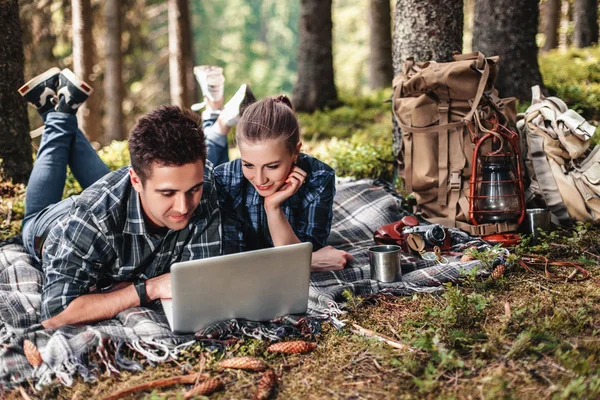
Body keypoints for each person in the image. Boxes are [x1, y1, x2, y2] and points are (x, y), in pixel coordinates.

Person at [18, 68, 221, 329]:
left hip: (117, 205)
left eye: (193, 190)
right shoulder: (92, 218)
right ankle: (56, 116)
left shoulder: (204, 184)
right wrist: (147, 288)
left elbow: (201, 278)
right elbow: (55, 315)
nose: (184, 207)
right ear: (136, 180)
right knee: (33, 218)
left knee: (116, 195)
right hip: (52, 227)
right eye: (168, 193)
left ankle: (61, 111)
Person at [212, 95, 353, 272]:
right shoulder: (224, 179)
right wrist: (310, 262)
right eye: (248, 164)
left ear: (295, 152)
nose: (260, 179)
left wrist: (272, 207)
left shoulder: (319, 177)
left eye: (272, 166)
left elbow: (307, 250)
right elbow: (231, 260)